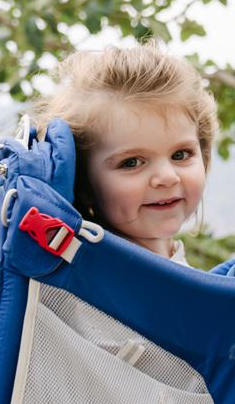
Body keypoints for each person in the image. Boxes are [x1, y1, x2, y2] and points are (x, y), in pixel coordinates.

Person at [31, 44, 217, 265]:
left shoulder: (173, 268)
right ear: (83, 184)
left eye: (180, 155)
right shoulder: (98, 283)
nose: (168, 177)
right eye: (131, 162)